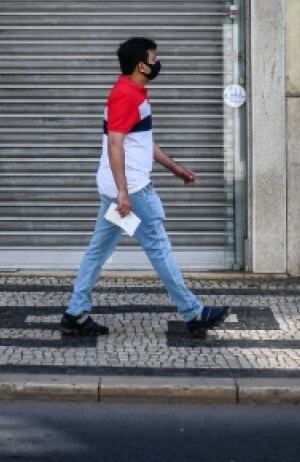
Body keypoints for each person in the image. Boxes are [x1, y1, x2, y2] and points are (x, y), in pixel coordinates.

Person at [61, 37, 230, 338]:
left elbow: (141, 142)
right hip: (134, 190)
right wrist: (124, 191)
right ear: (141, 65)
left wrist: (175, 168)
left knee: (99, 249)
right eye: (153, 58)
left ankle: (75, 312)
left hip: (119, 189)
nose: (157, 63)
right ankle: (194, 313)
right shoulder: (126, 96)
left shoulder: (132, 92)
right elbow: (115, 144)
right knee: (159, 248)